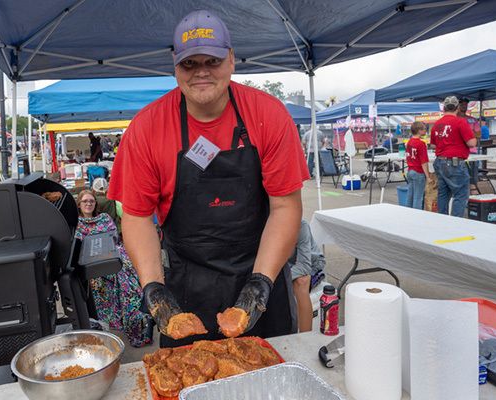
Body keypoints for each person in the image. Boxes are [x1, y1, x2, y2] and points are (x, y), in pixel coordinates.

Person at [108, 10, 308, 347]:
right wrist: (154, 288)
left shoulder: (268, 115)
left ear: (231, 60)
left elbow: (286, 207)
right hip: (187, 290)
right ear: (175, 65)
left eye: (212, 60)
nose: (201, 71)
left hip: (262, 274)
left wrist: (260, 283)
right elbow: (137, 216)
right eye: (189, 63)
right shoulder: (146, 128)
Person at [75, 189, 154, 347]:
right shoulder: (76, 224)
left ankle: (136, 324)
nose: (89, 204)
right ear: (79, 204)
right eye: (85, 201)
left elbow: (114, 238)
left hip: (114, 255)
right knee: (103, 280)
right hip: (94, 263)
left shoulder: (104, 218)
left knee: (128, 281)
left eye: (91, 201)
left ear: (95, 203)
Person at [430, 96, 476, 217]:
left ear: (444, 108)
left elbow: (433, 145)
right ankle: (455, 223)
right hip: (455, 162)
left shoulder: (437, 124)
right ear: (457, 108)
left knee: (443, 194)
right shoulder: (461, 122)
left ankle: (443, 221)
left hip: (440, 161)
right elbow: (472, 143)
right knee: (460, 194)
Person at [288, 220, 325, 332]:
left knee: (301, 281)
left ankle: (305, 338)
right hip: (285, 265)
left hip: (311, 264)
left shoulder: (300, 225)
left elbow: (304, 267)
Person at [405, 122, 432, 209]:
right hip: (418, 171)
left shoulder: (409, 142)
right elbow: (424, 162)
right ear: (419, 131)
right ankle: (417, 216)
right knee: (418, 197)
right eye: (424, 129)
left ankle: (408, 213)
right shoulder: (421, 144)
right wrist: (428, 176)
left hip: (410, 170)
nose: (425, 131)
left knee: (410, 195)